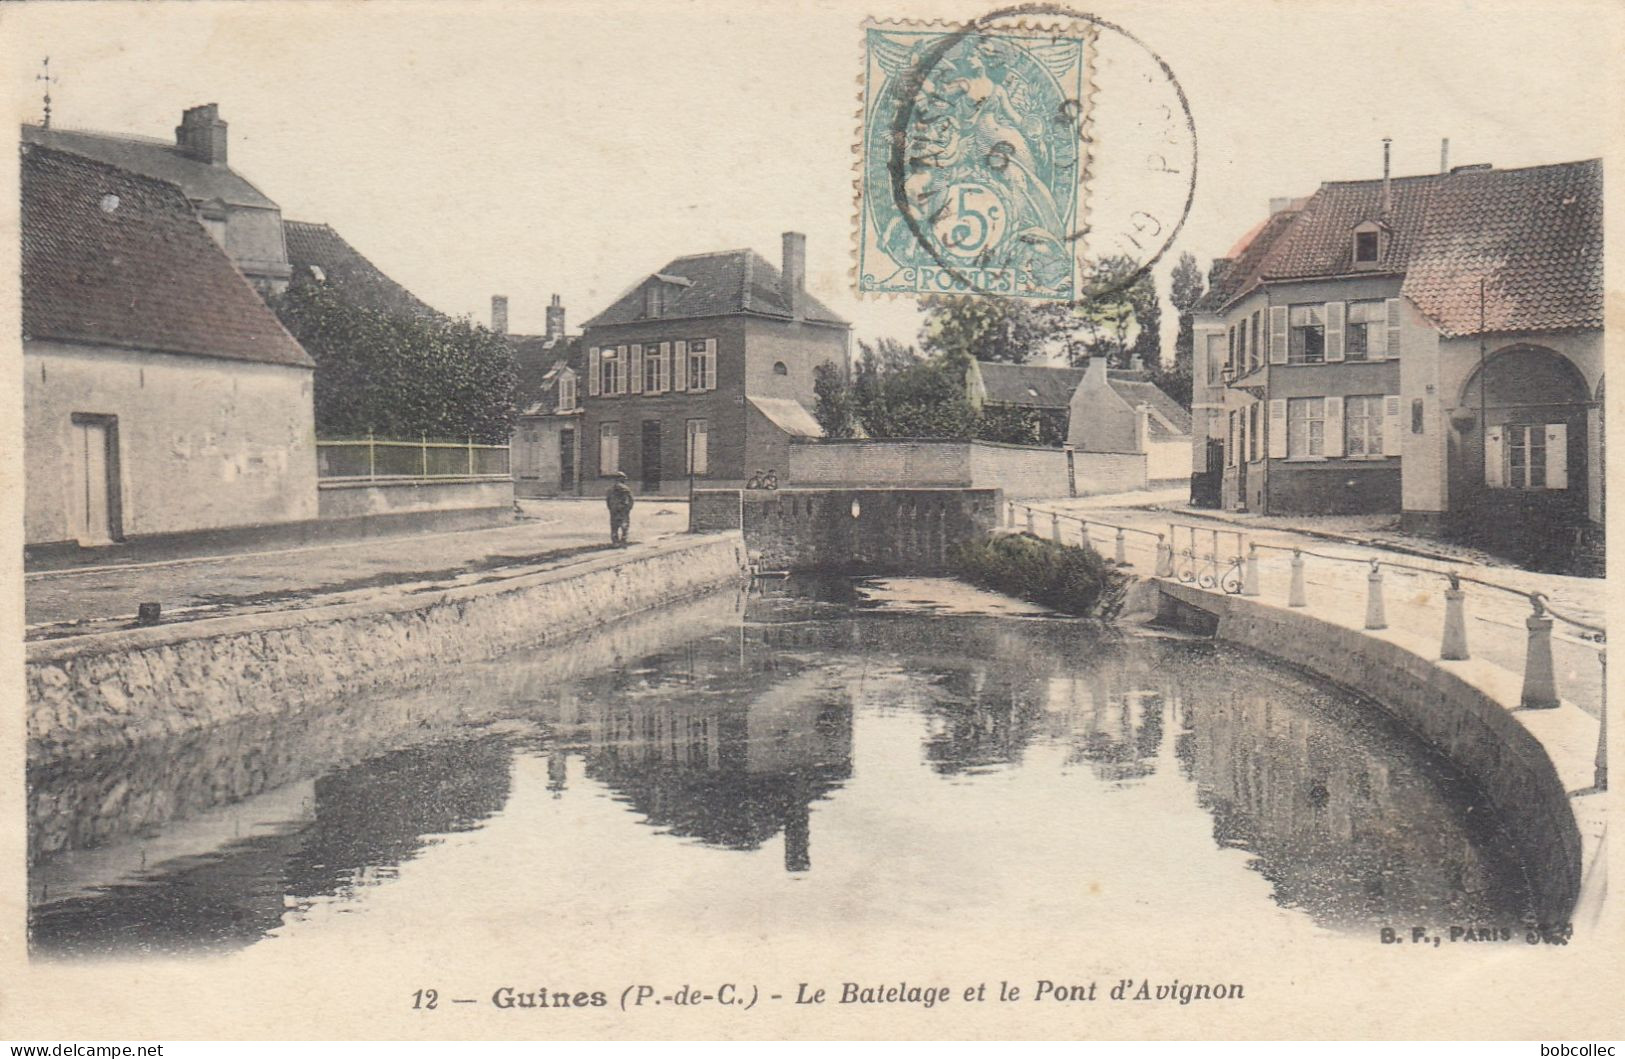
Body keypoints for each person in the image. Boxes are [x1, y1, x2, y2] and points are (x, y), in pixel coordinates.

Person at [605, 471, 634, 544]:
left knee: (614, 526)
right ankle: (624, 540)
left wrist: (610, 508)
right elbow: (630, 499)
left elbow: (607, 500)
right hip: (623, 509)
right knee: (624, 524)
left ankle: (615, 541)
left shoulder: (610, 489)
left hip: (614, 509)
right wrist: (629, 508)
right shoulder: (625, 488)